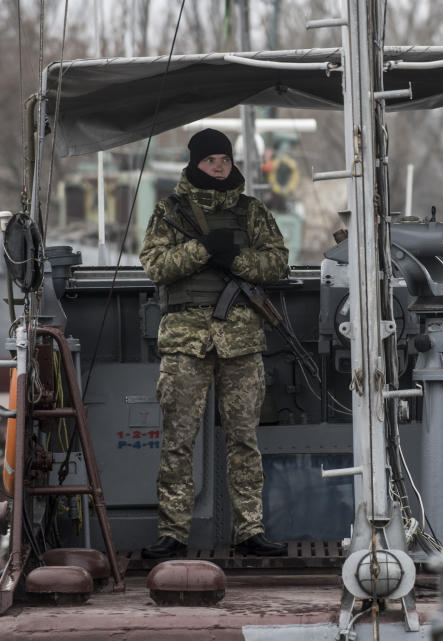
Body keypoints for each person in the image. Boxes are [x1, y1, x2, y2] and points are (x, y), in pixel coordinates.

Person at [139, 128, 289, 559]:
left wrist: (237, 260)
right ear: (194, 163)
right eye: (210, 160)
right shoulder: (170, 212)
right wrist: (203, 250)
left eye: (224, 159)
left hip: (240, 342)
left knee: (244, 440)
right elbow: (155, 266)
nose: (219, 166)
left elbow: (277, 261)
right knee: (177, 442)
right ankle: (173, 534)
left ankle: (250, 531)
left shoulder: (252, 211)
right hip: (186, 343)